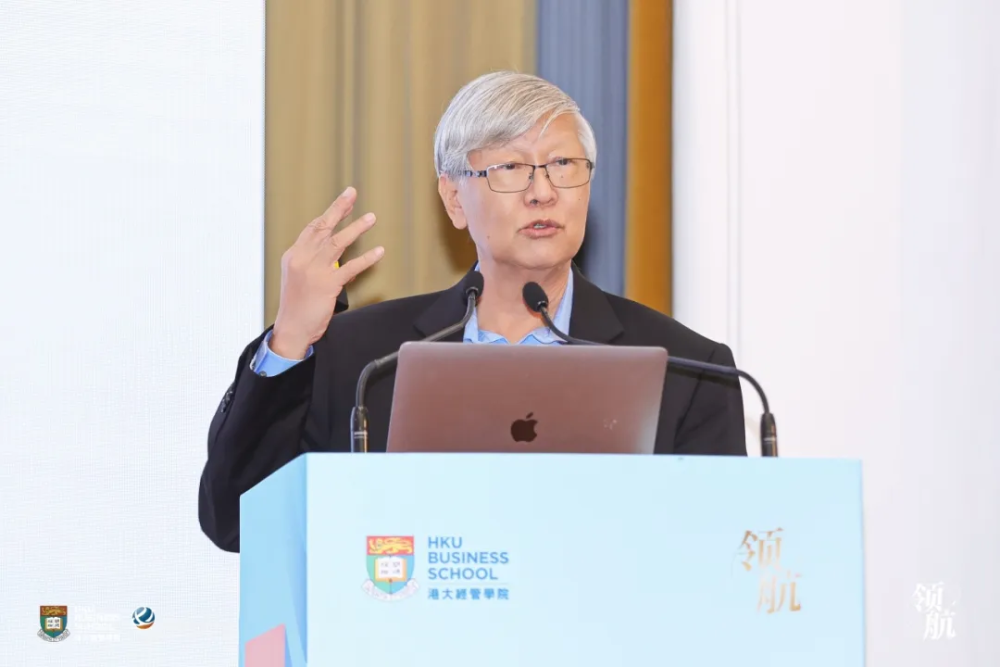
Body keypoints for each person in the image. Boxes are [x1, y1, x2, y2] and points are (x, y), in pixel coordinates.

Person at [199, 71, 746, 553]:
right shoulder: (359, 358)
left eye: (563, 164)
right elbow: (236, 523)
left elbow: (718, 554)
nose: (542, 192)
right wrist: (291, 339)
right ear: (454, 200)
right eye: (510, 167)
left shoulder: (687, 370)